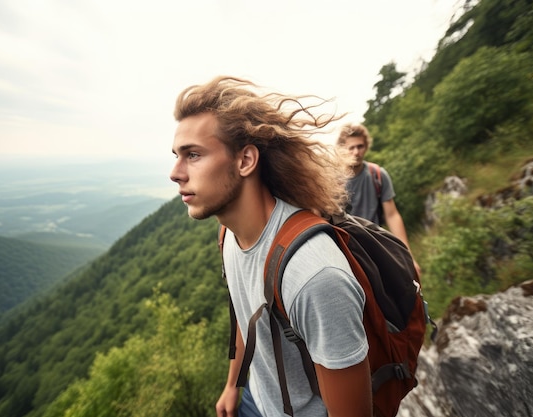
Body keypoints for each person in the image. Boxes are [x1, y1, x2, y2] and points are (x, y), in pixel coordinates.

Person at [169, 76, 373, 417]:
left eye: (193, 155)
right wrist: (233, 386)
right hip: (257, 398)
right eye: (177, 155)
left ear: (246, 160)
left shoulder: (315, 276)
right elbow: (246, 316)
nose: (175, 173)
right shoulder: (229, 235)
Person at [336, 124, 421, 276]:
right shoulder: (334, 181)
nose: (356, 152)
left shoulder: (378, 175)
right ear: (342, 149)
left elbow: (392, 215)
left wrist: (408, 257)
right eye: (351, 147)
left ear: (366, 146)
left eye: (360, 146)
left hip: (376, 245)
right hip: (348, 251)